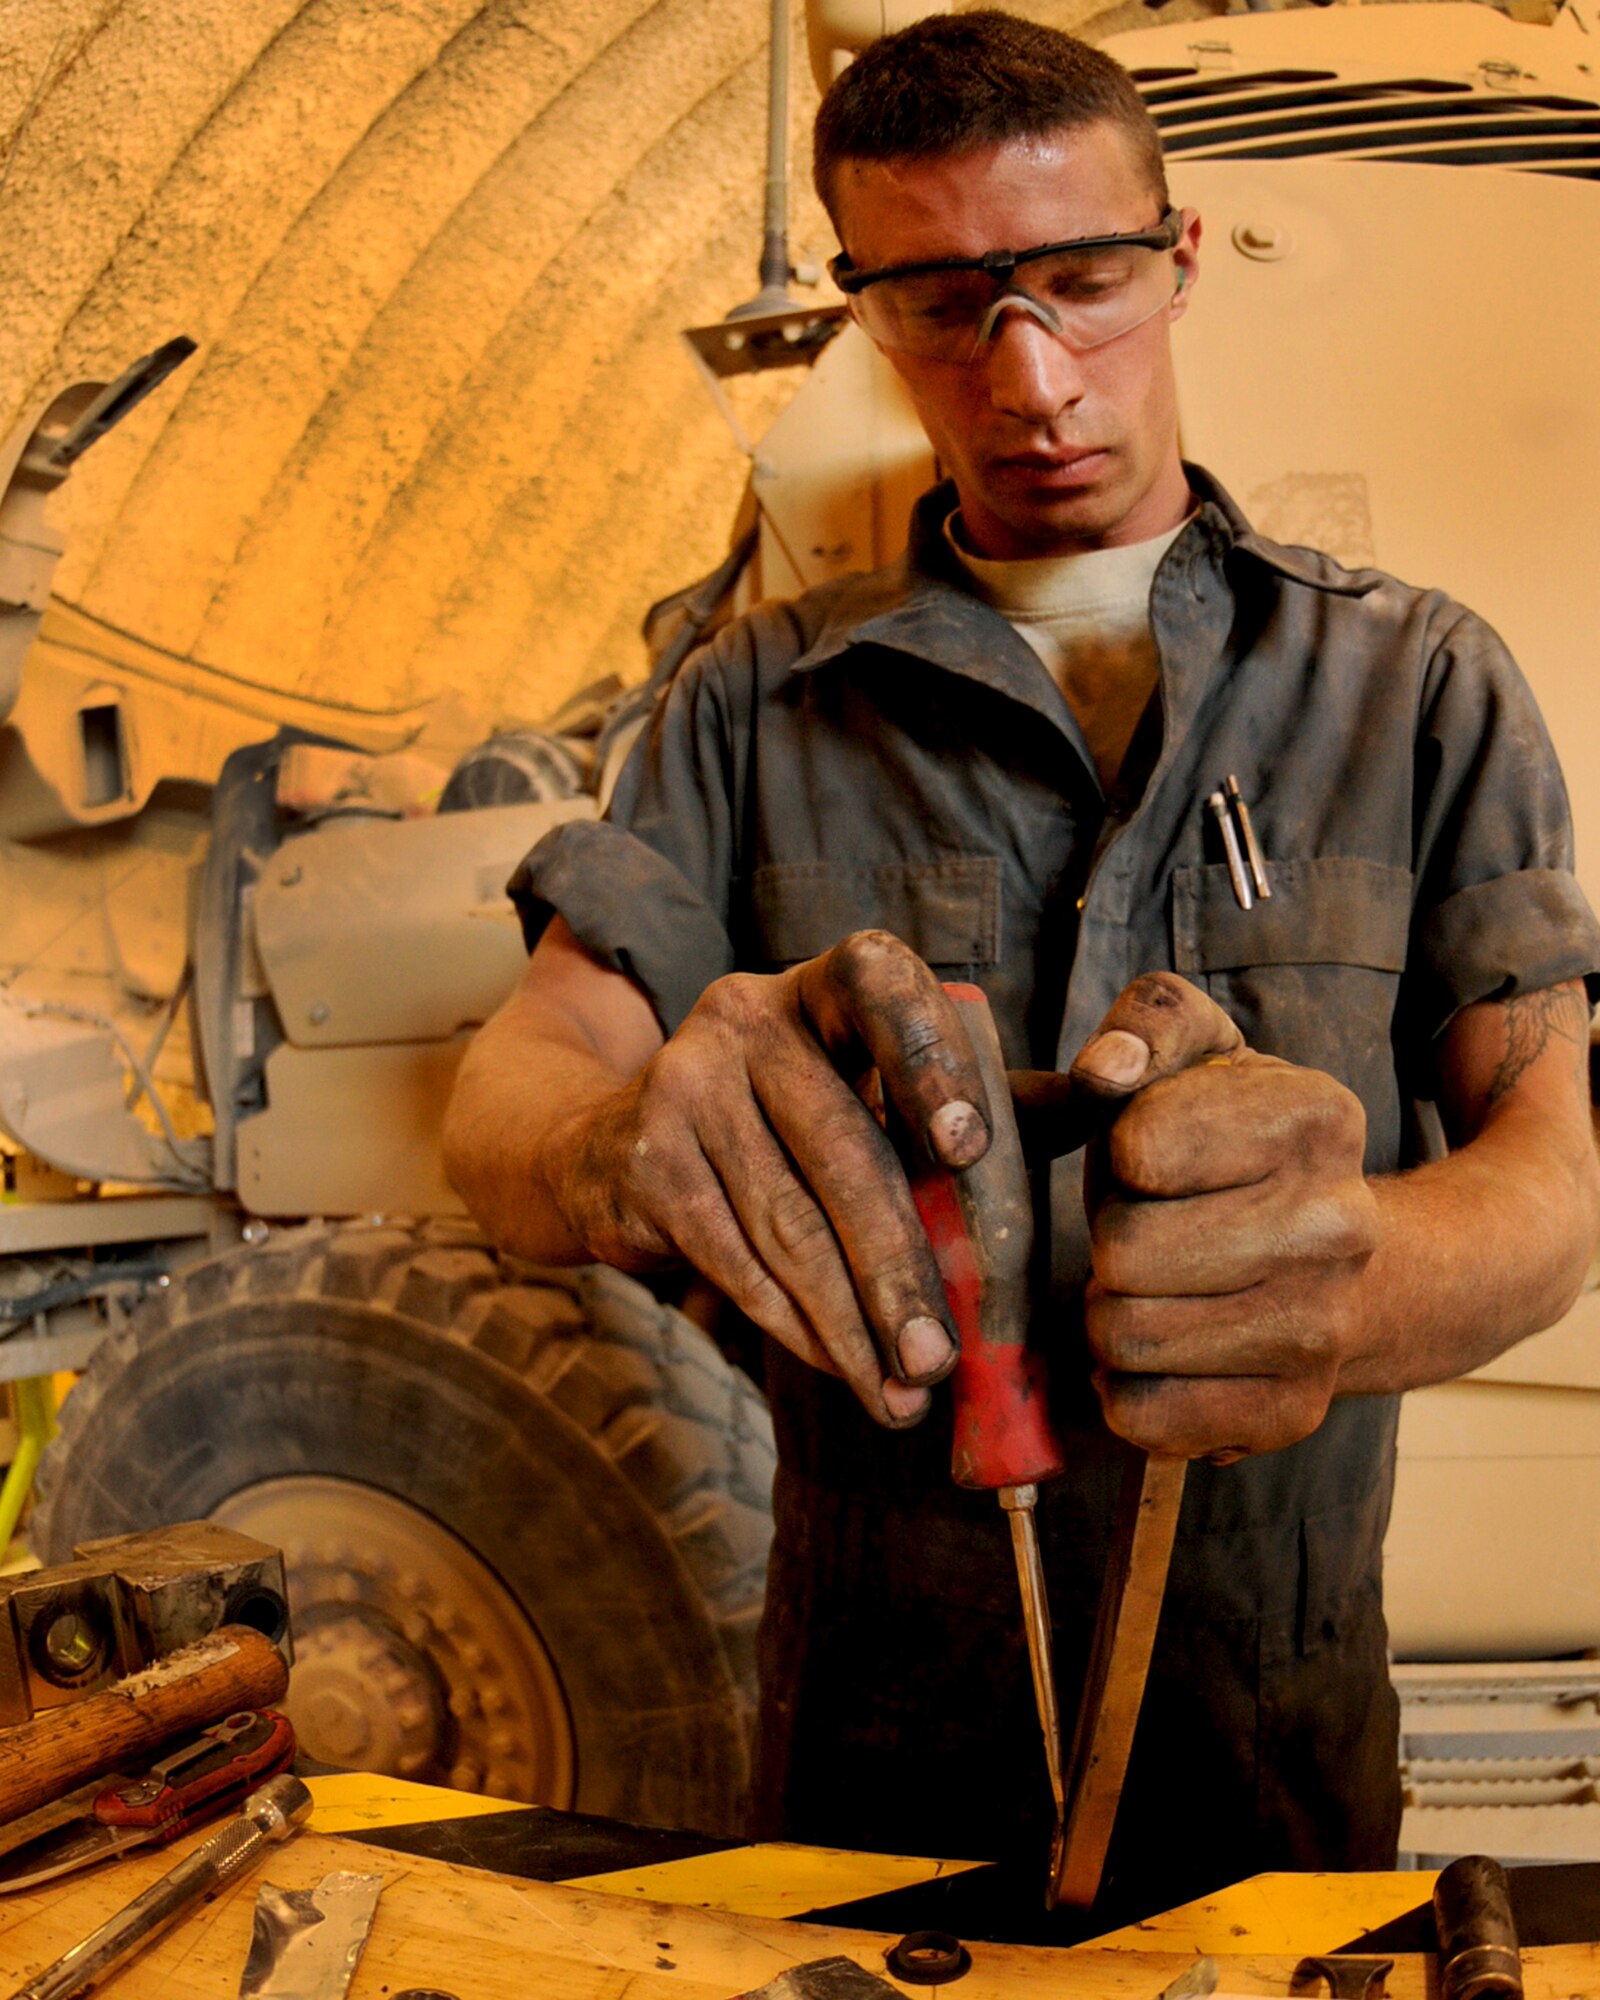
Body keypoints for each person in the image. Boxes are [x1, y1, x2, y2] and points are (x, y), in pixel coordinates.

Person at [444, 9, 1600, 1921]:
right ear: (863, 310)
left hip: (1277, 1756)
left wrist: (1361, 1277)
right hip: (860, 1765)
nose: (1033, 372)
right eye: (943, 302)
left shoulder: (1420, 684)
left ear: (1179, 254)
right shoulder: (746, 705)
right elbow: (515, 1085)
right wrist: (619, 1144)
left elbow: (1556, 1181)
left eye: (1082, 281)